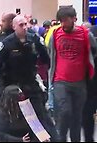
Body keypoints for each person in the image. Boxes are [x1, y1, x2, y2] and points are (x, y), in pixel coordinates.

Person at [0, 15, 57, 141]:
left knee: (40, 117)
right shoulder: (6, 43)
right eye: (21, 25)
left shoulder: (34, 39)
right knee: (10, 119)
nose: (25, 27)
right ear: (14, 27)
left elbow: (46, 59)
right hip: (12, 87)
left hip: (31, 84)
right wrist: (1, 87)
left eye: (25, 24)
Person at [48, 7, 97, 142]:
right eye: (61, 21)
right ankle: (60, 139)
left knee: (77, 116)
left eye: (66, 20)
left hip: (80, 82)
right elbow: (51, 53)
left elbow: (94, 50)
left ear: (74, 19)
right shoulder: (56, 34)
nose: (63, 24)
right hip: (60, 81)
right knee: (65, 112)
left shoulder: (85, 34)